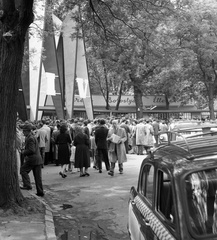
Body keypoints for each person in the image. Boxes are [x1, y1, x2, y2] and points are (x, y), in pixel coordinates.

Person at [20, 122, 44, 197]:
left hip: (32, 159)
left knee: (23, 170)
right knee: (38, 177)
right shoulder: (32, 137)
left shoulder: (30, 138)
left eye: (24, 131)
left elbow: (31, 150)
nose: (23, 133)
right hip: (37, 159)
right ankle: (40, 192)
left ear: (27, 131)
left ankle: (27, 185)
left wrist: (23, 152)